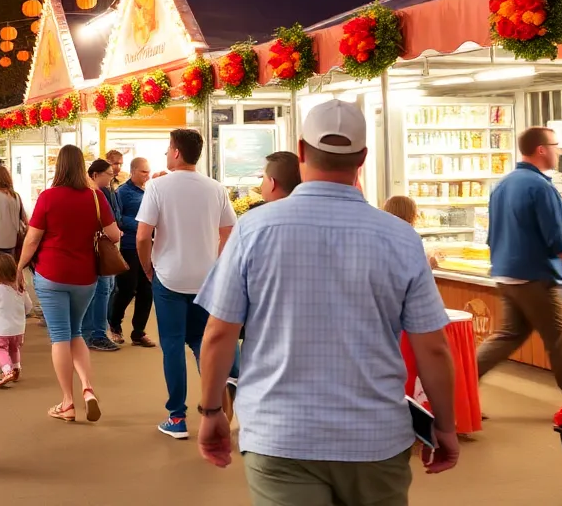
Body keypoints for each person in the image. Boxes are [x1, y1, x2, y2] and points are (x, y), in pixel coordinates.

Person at [194, 99, 459, 501]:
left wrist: (212, 412)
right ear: (363, 158)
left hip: (280, 435)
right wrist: (444, 424)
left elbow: (218, 335)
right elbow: (434, 347)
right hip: (376, 437)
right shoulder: (401, 237)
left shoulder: (253, 230)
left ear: (301, 150)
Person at [476, 126, 562, 401]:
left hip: (506, 275)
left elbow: (492, 235)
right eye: (556, 145)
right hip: (536, 278)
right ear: (541, 149)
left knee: (508, 336)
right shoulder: (541, 187)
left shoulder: (501, 185)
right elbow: (557, 241)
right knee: (560, 340)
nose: (559, 150)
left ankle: (457, 386)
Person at [135, 128, 236, 440]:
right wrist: (217, 265)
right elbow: (228, 232)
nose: (166, 153)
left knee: (172, 346)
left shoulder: (157, 187)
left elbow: (142, 236)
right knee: (202, 343)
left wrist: (148, 267)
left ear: (176, 152)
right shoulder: (215, 188)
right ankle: (215, 408)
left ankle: (177, 418)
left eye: (168, 148)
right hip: (206, 279)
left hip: (169, 277)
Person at [17, 144, 119, 423]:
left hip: (51, 274)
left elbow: (33, 239)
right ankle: (87, 388)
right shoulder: (96, 197)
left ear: (59, 166)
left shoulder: (48, 197)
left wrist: (19, 267)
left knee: (60, 336)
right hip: (85, 276)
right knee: (76, 332)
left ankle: (67, 402)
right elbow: (114, 234)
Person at [109, 157, 155, 347]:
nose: (147, 175)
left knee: (147, 289)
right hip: (129, 245)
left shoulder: (150, 191)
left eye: (148, 171)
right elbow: (118, 219)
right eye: (144, 172)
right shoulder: (123, 192)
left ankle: (139, 332)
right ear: (133, 171)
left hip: (150, 246)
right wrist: (143, 225)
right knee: (127, 288)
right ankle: (114, 324)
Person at [82, 159, 121, 352]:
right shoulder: (95, 194)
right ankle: (95, 334)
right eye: (109, 173)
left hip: (90, 250)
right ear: (95, 174)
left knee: (101, 291)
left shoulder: (102, 192)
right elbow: (112, 227)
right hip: (98, 249)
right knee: (101, 291)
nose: (112, 177)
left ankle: (90, 333)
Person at [0, 253, 34, 388]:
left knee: (0, 349)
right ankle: (16, 368)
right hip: (18, 328)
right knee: (14, 348)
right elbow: (28, 307)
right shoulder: (21, 289)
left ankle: (7, 371)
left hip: (1, 329)